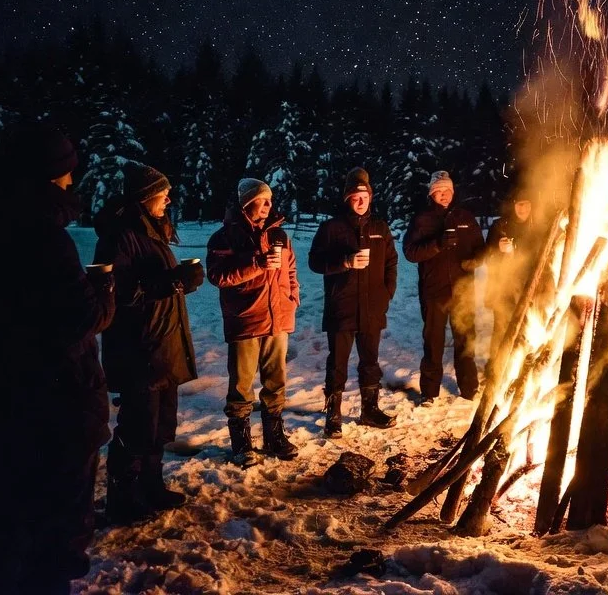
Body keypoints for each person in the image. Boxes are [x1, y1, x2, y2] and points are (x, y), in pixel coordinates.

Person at [0, 122, 116, 594]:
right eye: (68, 173)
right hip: (54, 414)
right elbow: (77, 320)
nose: (72, 182)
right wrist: (102, 290)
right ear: (50, 176)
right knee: (54, 536)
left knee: (6, 523)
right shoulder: (44, 239)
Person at [94, 162, 203, 524]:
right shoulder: (120, 236)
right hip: (139, 348)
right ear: (145, 197)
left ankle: (151, 485)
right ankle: (122, 498)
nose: (169, 199)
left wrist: (181, 280)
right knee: (137, 426)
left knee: (159, 425)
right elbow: (119, 292)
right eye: (163, 193)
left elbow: (157, 284)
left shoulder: (152, 232)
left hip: (162, 345)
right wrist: (173, 282)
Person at [207, 178, 300, 465]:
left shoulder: (279, 235)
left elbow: (291, 269)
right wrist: (257, 264)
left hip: (277, 318)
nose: (269, 205)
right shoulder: (225, 237)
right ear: (247, 202)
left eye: (270, 200)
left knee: (276, 381)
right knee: (241, 384)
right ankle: (241, 442)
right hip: (245, 319)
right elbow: (219, 276)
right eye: (263, 200)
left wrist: (292, 298)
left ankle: (274, 436)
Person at [307, 168, 398, 437]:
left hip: (372, 308)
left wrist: (386, 293)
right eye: (356, 197)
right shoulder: (331, 228)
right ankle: (333, 414)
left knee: (370, 361)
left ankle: (369, 409)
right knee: (338, 363)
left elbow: (391, 262)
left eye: (365, 197)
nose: (361, 201)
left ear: (370, 198)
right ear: (347, 199)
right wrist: (344, 262)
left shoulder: (380, 228)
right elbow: (314, 262)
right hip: (342, 308)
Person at [403, 170, 485, 404]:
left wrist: (476, 260)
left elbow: (481, 248)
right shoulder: (422, 219)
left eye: (447, 190)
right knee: (433, 342)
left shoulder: (465, 217)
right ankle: (429, 392)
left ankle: (469, 388)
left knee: (465, 339)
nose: (444, 195)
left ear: (453, 192)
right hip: (434, 291)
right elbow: (410, 252)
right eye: (439, 191)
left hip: (463, 290)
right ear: (432, 194)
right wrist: (437, 244)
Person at [484, 189, 539, 361]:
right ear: (513, 205)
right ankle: (495, 366)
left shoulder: (538, 227)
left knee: (527, 328)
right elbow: (486, 255)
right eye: (519, 204)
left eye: (526, 204)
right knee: (501, 328)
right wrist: (498, 249)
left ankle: (521, 367)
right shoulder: (501, 226)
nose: (522, 208)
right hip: (504, 287)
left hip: (530, 285)